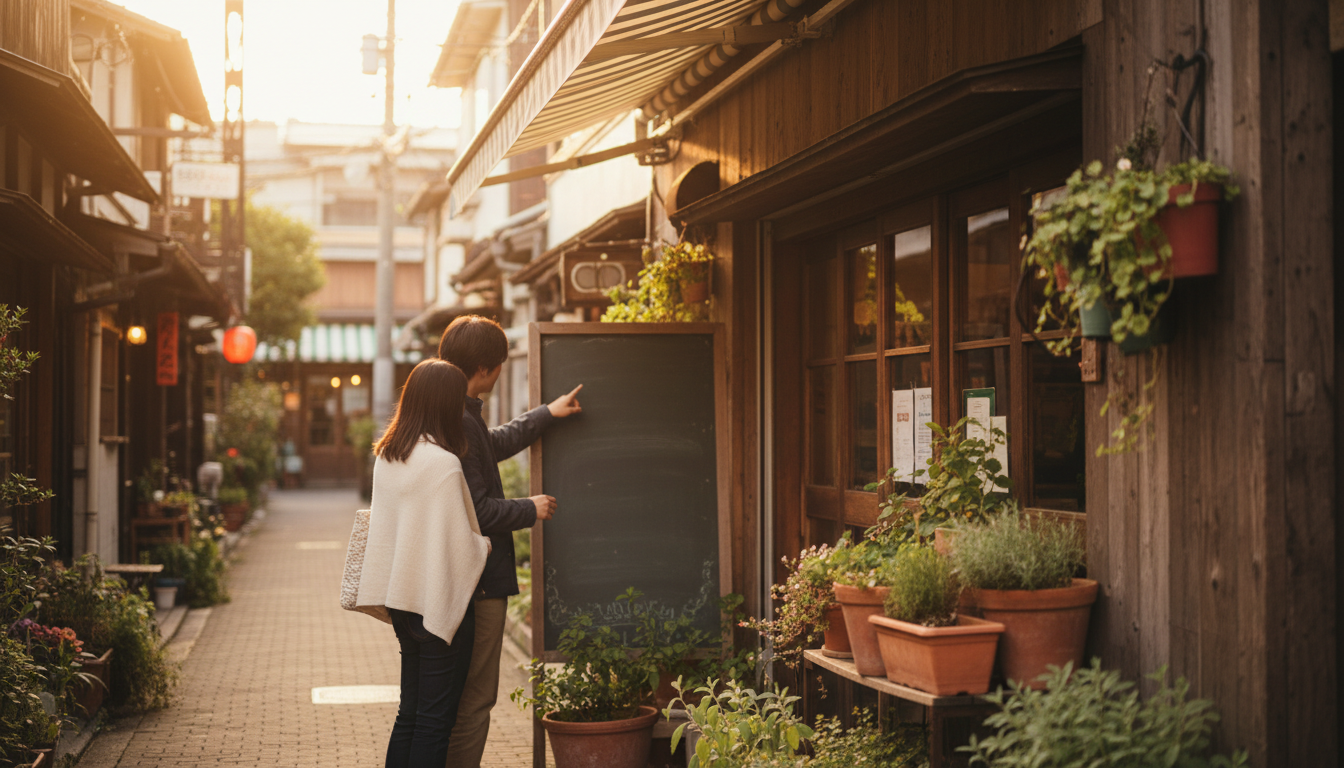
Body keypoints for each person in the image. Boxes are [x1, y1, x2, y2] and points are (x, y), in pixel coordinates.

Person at [436, 315, 582, 768]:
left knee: (457, 698)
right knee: (476, 700)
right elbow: (477, 510)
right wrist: (530, 508)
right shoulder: (460, 415)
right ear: (487, 368)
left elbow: (493, 443)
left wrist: (545, 413)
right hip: (480, 584)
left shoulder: (454, 413)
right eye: (500, 364)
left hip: (463, 580)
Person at [355, 359, 490, 768]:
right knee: (435, 723)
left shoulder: (388, 456)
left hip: (400, 599)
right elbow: (460, 546)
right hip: (435, 602)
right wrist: (483, 545)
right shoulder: (444, 464)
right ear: (446, 405)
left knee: (409, 714)